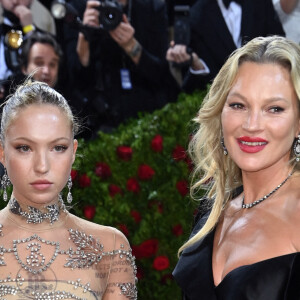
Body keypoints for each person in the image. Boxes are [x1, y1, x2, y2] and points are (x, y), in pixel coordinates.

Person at [173, 35, 300, 299]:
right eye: (238, 105)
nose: (252, 124)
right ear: (220, 113)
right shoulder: (213, 213)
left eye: (274, 109)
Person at [0, 80, 137, 299]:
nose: (42, 166)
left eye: (58, 148)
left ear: (73, 152)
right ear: (2, 153)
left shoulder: (110, 248)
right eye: (25, 148)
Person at [64, 0, 179, 136]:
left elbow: (161, 75)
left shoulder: (153, 7)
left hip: (147, 116)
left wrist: (131, 45)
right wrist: (84, 33)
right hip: (97, 122)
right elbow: (74, 77)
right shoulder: (80, 8)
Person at [166, 0, 285, 93]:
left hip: (265, 90)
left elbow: (279, 45)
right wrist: (198, 66)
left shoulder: (260, 3)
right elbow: (192, 87)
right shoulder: (197, 16)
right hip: (224, 106)